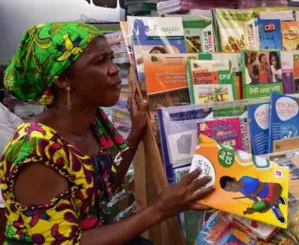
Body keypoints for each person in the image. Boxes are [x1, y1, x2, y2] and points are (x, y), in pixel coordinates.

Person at [1, 22, 214, 245]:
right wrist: (160, 209)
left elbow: (106, 184)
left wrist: (136, 132)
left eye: (111, 58)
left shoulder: (93, 121)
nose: (113, 69)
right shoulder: (35, 151)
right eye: (100, 61)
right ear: (62, 80)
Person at [219, 175, 285, 223]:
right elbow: (256, 200)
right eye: (231, 190)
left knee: (274, 199)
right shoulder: (242, 191)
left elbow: (261, 185)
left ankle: (278, 209)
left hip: (271, 188)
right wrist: (254, 207)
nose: (234, 189)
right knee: (263, 209)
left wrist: (255, 193)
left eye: (232, 186)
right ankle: (278, 199)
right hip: (266, 197)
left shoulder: (245, 179)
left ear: (234, 179)